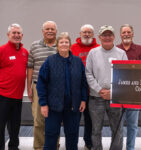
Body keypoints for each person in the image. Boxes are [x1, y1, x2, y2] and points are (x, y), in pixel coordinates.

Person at [36, 32, 88, 150]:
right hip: (53, 106)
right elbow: (41, 83)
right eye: (61, 42)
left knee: (72, 135)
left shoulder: (78, 61)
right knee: (51, 135)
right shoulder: (50, 61)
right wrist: (43, 104)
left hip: (73, 106)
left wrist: (83, 99)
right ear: (57, 45)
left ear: (70, 44)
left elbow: (83, 83)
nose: (64, 44)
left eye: (66, 42)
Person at [86, 25, 128, 150]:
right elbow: (88, 73)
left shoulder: (121, 53)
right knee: (96, 130)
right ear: (99, 37)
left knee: (117, 130)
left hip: (115, 98)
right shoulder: (93, 53)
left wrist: (113, 92)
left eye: (110, 35)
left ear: (114, 37)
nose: (107, 37)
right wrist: (99, 89)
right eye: (104, 35)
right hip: (95, 98)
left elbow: (126, 75)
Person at [117, 24, 141, 150]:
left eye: (128, 32)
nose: (126, 34)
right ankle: (118, 147)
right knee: (117, 125)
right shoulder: (115, 49)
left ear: (132, 34)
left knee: (132, 125)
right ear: (120, 34)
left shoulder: (140, 49)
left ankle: (130, 148)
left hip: (134, 94)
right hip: (118, 94)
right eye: (124, 32)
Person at [27, 21, 57, 150]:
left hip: (56, 89)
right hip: (38, 87)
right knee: (38, 121)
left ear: (56, 31)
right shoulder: (34, 46)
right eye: (47, 29)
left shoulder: (61, 45)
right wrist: (28, 88)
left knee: (55, 120)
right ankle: (39, 147)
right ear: (42, 31)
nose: (50, 31)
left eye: (52, 29)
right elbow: (30, 68)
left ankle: (54, 145)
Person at [0, 23, 28, 150]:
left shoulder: (25, 52)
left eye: (18, 33)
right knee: (0, 125)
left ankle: (13, 147)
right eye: (14, 33)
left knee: (15, 125)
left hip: (18, 96)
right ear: (8, 35)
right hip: (3, 96)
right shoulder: (2, 50)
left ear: (22, 35)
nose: (16, 35)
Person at [71, 24, 99, 150]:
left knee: (90, 121)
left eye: (89, 32)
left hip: (93, 92)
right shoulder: (73, 48)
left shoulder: (99, 48)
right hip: (76, 91)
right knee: (73, 120)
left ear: (93, 34)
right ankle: (72, 144)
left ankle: (88, 142)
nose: (86, 34)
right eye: (84, 32)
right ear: (80, 33)